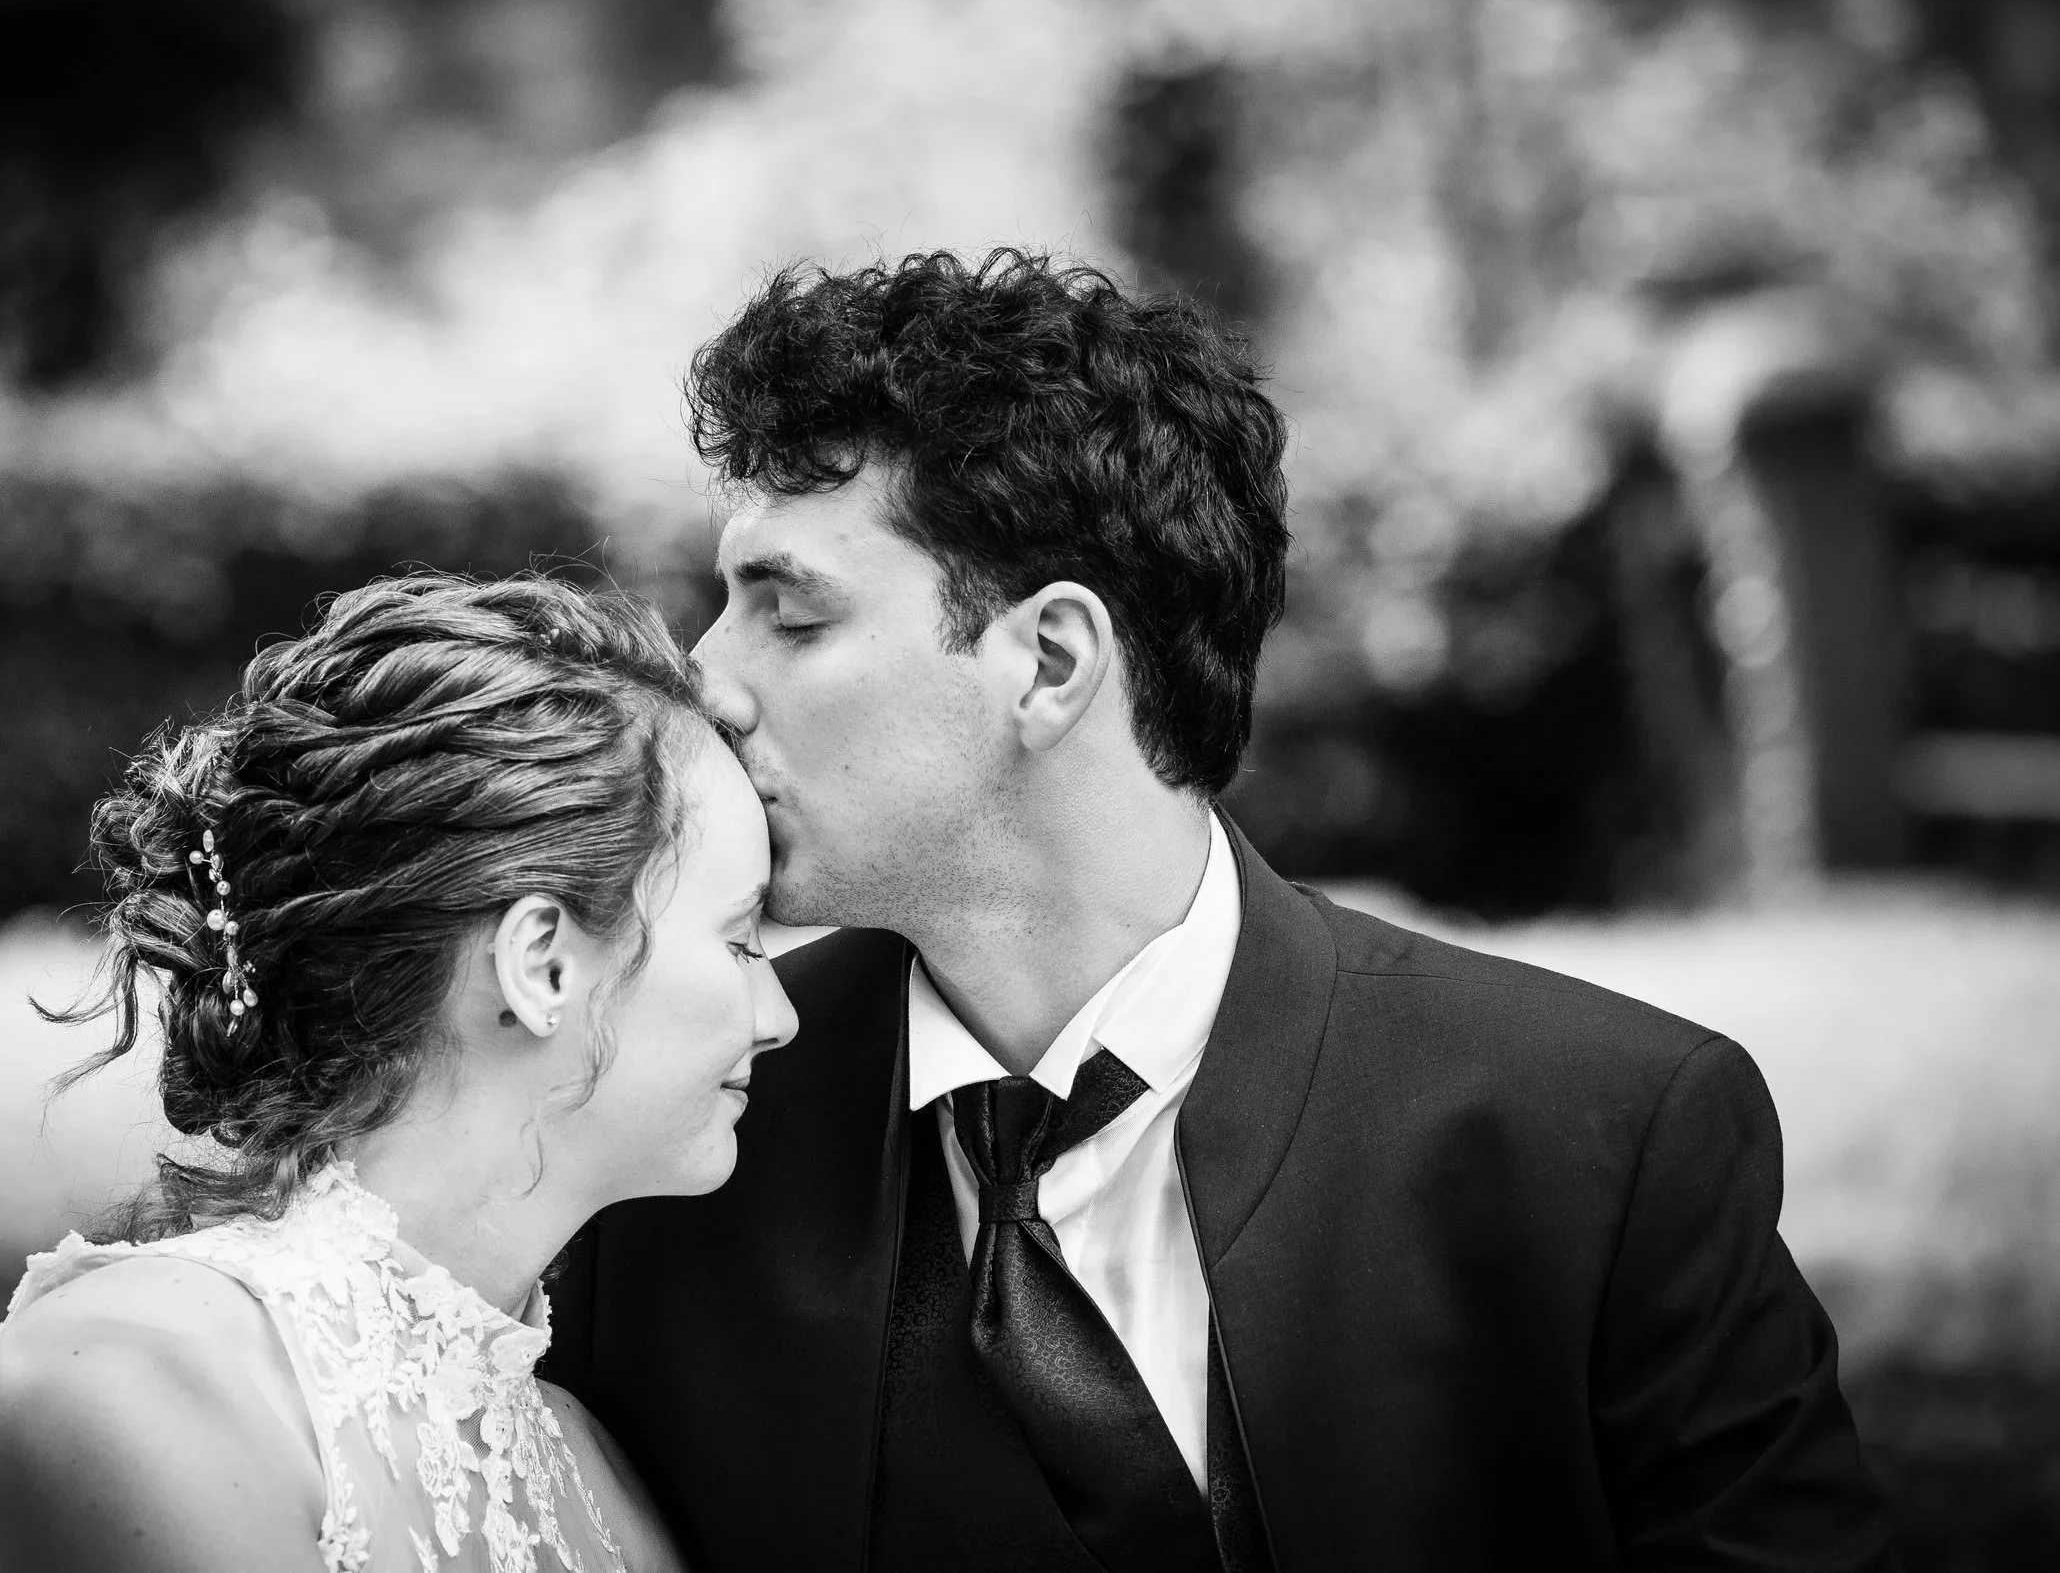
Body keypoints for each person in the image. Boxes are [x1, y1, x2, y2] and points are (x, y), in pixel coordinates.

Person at [537, 250, 1900, 1570]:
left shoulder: (1605, 1143)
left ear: (1049, 661)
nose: (703, 681)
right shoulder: (651, 1143)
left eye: (789, 613)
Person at [0, 573, 797, 1573]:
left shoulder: (588, 1470)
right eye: (740, 940)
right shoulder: (138, 1380)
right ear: (542, 964)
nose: (779, 1016)